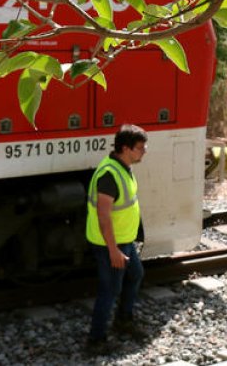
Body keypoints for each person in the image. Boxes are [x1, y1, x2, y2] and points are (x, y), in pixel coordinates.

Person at [85, 124, 149, 355]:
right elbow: (103, 217)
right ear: (125, 148)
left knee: (135, 275)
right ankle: (96, 340)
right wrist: (113, 250)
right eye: (140, 148)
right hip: (109, 244)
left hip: (124, 241)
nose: (144, 151)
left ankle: (123, 320)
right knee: (110, 289)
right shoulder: (110, 175)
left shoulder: (123, 166)